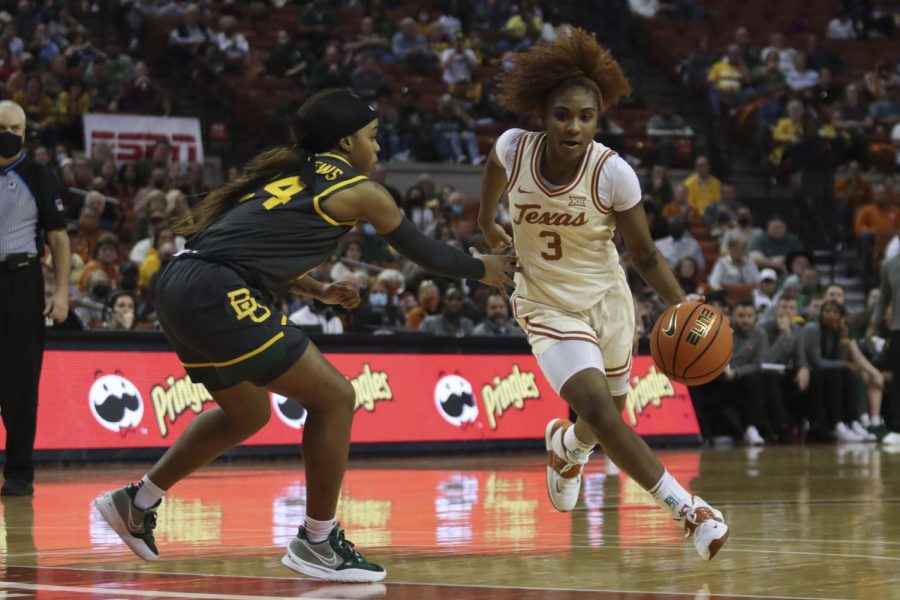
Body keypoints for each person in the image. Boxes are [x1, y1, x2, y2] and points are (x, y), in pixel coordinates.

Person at [94, 89, 515, 582]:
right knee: (336, 398)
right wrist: (481, 268)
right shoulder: (362, 192)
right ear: (345, 142)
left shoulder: (287, 178)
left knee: (247, 413)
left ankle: (136, 501)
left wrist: (316, 289)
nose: (378, 149)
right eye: (373, 138)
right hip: (214, 289)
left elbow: (244, 249)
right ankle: (318, 540)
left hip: (180, 283)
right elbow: (427, 254)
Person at [477, 29, 729, 560]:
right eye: (563, 114)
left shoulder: (613, 172)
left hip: (608, 301)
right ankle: (690, 511)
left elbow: (645, 256)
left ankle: (567, 448)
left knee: (602, 421)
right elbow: (494, 172)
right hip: (544, 302)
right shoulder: (513, 147)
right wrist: (487, 224)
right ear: (542, 115)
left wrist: (682, 306)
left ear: (598, 119)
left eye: (586, 116)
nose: (574, 126)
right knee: (598, 408)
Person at [0, 100, 69, 496]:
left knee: (22, 381)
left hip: (22, 280)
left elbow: (59, 237)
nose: (8, 134)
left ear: (25, 133)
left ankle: (19, 472)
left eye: (16, 128)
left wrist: (60, 292)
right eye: (2, 126)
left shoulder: (39, 176)